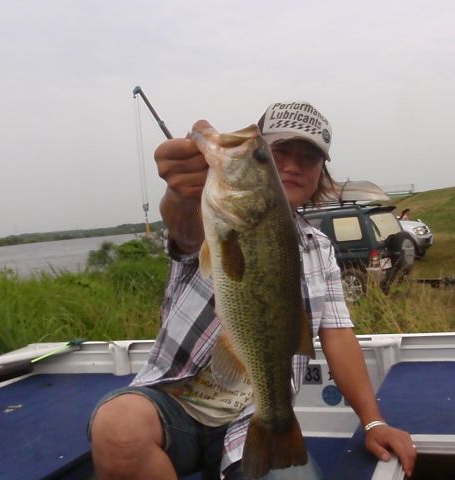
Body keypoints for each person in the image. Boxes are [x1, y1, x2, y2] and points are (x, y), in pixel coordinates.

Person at [88, 101, 417, 479]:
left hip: (254, 411)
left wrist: (374, 423)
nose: (293, 166)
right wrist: (180, 195)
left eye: (309, 158)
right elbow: (184, 227)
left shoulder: (321, 249)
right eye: (275, 153)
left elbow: (338, 335)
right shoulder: (211, 215)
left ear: (320, 174)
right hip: (173, 399)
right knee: (119, 428)